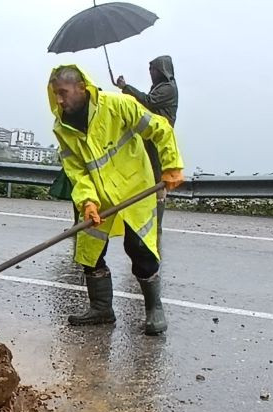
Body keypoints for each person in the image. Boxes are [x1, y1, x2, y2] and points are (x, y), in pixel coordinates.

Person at [49, 64, 184, 334]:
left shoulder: (119, 105)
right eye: (56, 94)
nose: (60, 100)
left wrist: (171, 165)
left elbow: (160, 128)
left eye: (63, 93)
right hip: (99, 195)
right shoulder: (62, 126)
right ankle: (101, 309)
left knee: (140, 249)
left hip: (133, 189)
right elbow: (75, 169)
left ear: (82, 88)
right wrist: (87, 201)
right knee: (90, 250)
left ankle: (154, 308)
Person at [116, 56, 178, 242]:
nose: (151, 73)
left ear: (162, 71)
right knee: (147, 178)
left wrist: (126, 87)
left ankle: (157, 225)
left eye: (153, 70)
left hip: (160, 139)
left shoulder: (168, 88)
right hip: (150, 137)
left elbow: (148, 102)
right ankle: (145, 220)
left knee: (158, 180)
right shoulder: (159, 87)